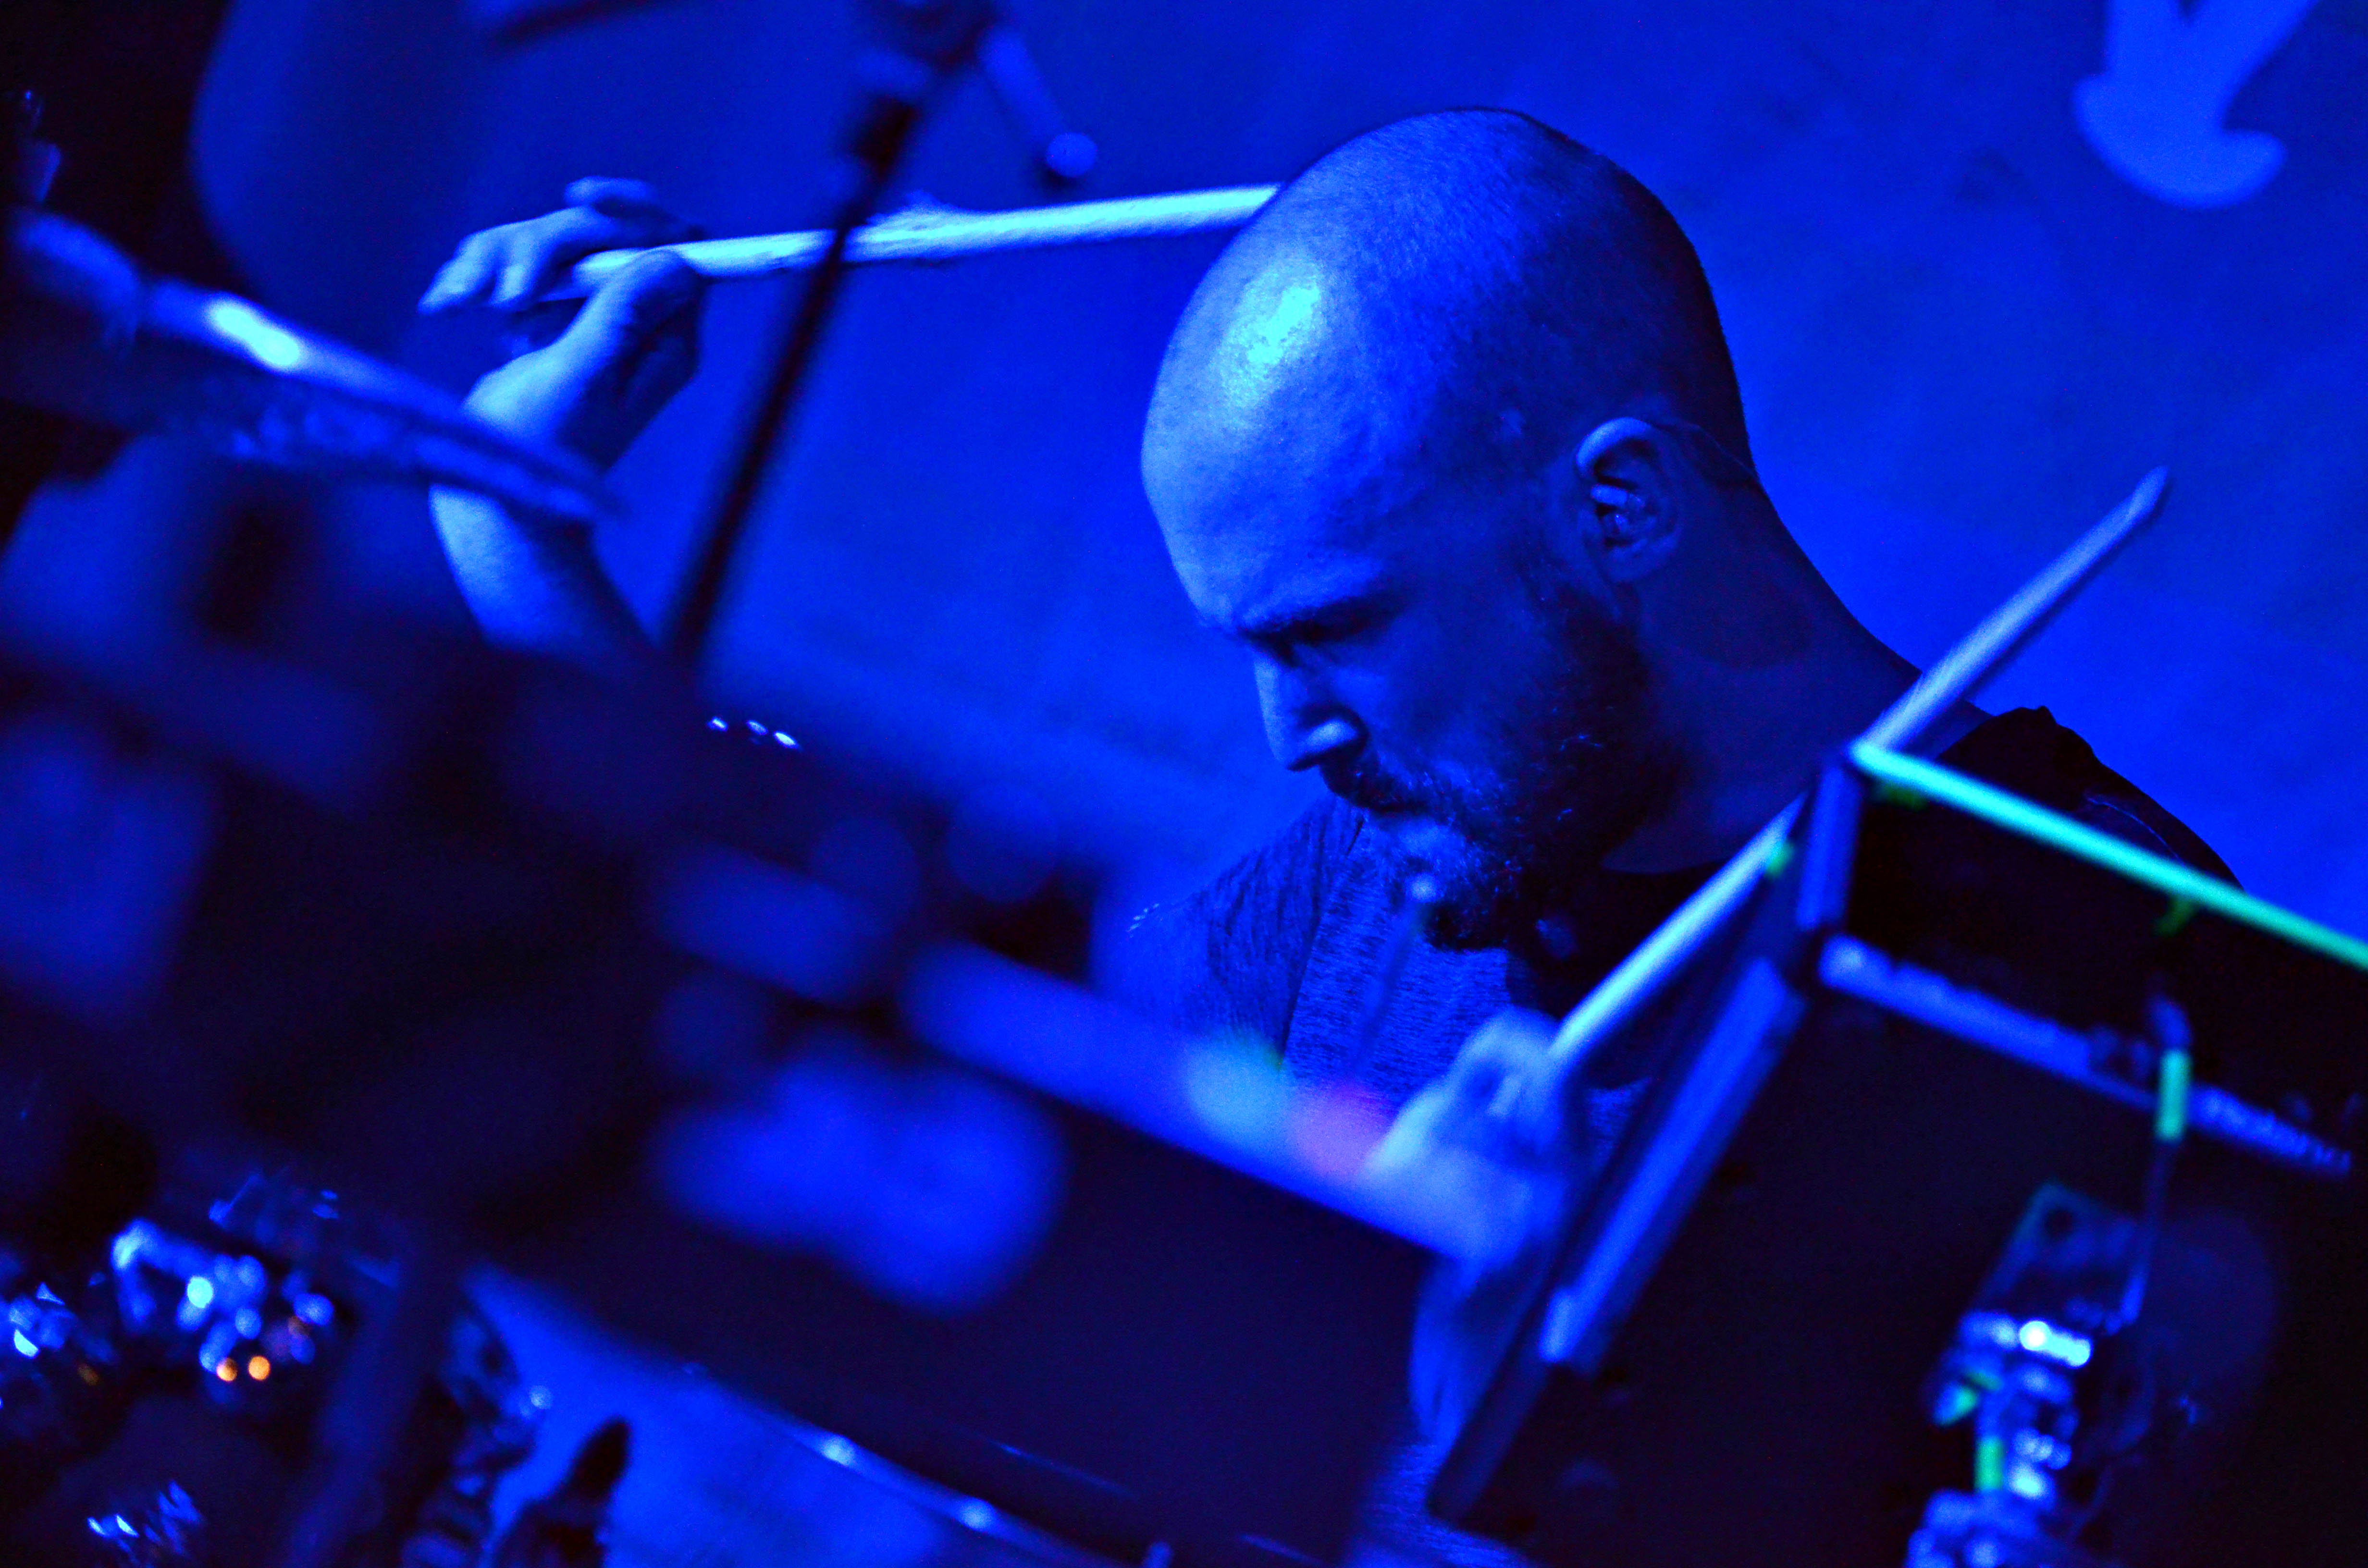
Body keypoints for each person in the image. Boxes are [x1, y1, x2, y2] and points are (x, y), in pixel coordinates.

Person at [418, 108, 2224, 1149]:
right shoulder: (1376, 884)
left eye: (1337, 630)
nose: (1289, 736)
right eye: (1253, 653)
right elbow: (898, 1088)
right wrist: (515, 525)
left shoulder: (2119, 982)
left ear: (1621, 507)